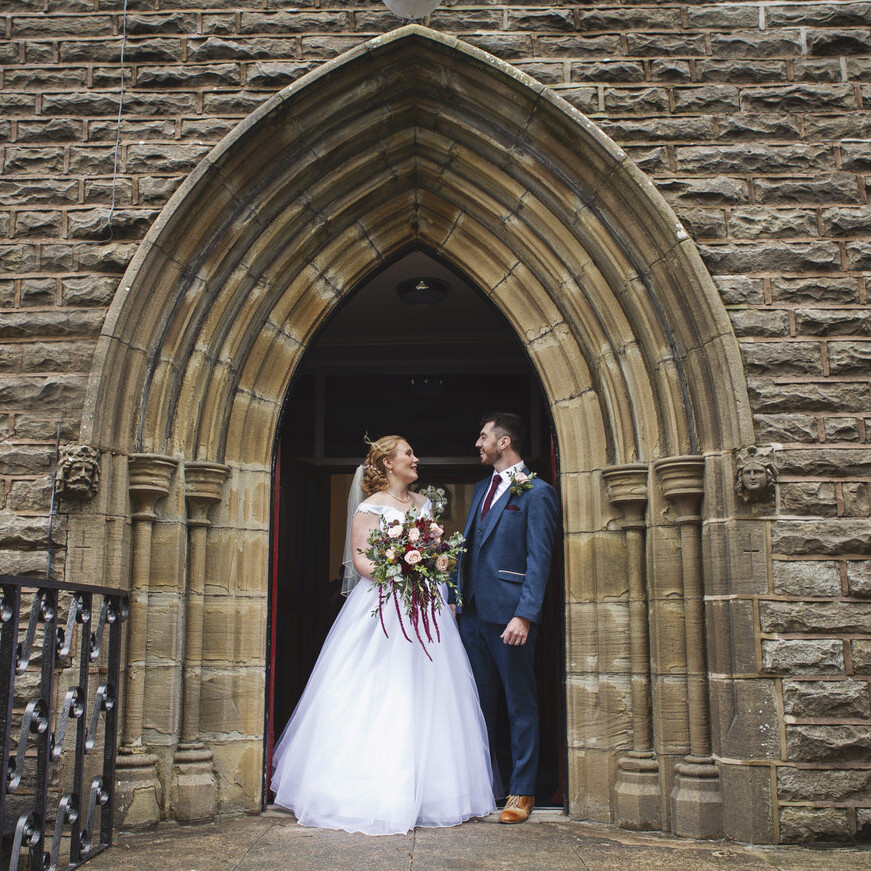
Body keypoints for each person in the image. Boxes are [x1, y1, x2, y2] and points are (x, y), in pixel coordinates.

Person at [270, 435, 496, 835]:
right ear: (389, 463)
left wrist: (434, 561)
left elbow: (435, 551)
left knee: (432, 691)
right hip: (383, 608)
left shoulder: (424, 505)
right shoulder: (370, 507)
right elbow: (360, 561)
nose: (416, 458)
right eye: (409, 453)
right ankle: (367, 794)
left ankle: (431, 794)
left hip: (425, 607)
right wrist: (401, 568)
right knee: (378, 689)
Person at [454, 413, 559, 824]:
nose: (478, 443)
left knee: (520, 704)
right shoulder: (482, 489)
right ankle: (483, 787)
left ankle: (522, 790)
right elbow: (471, 551)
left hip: (511, 619)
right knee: (478, 705)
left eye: (483, 437)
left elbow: (539, 560)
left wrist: (525, 615)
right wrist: (455, 598)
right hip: (474, 617)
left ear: (505, 442)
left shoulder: (538, 493)